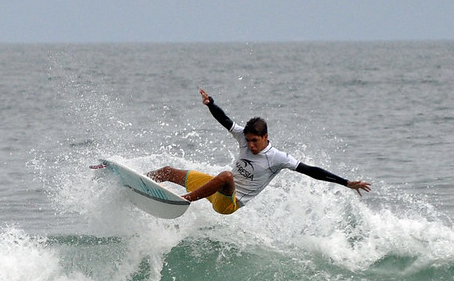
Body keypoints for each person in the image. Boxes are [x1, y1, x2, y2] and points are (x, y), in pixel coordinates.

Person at [147, 89, 371, 214]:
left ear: (266, 138)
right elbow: (225, 120)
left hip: (230, 202)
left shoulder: (277, 158)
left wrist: (346, 183)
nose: (250, 145)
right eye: (248, 141)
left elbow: (312, 171)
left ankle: (182, 200)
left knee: (225, 176)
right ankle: (138, 182)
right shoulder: (243, 137)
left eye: (255, 141)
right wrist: (210, 103)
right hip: (215, 189)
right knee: (167, 171)